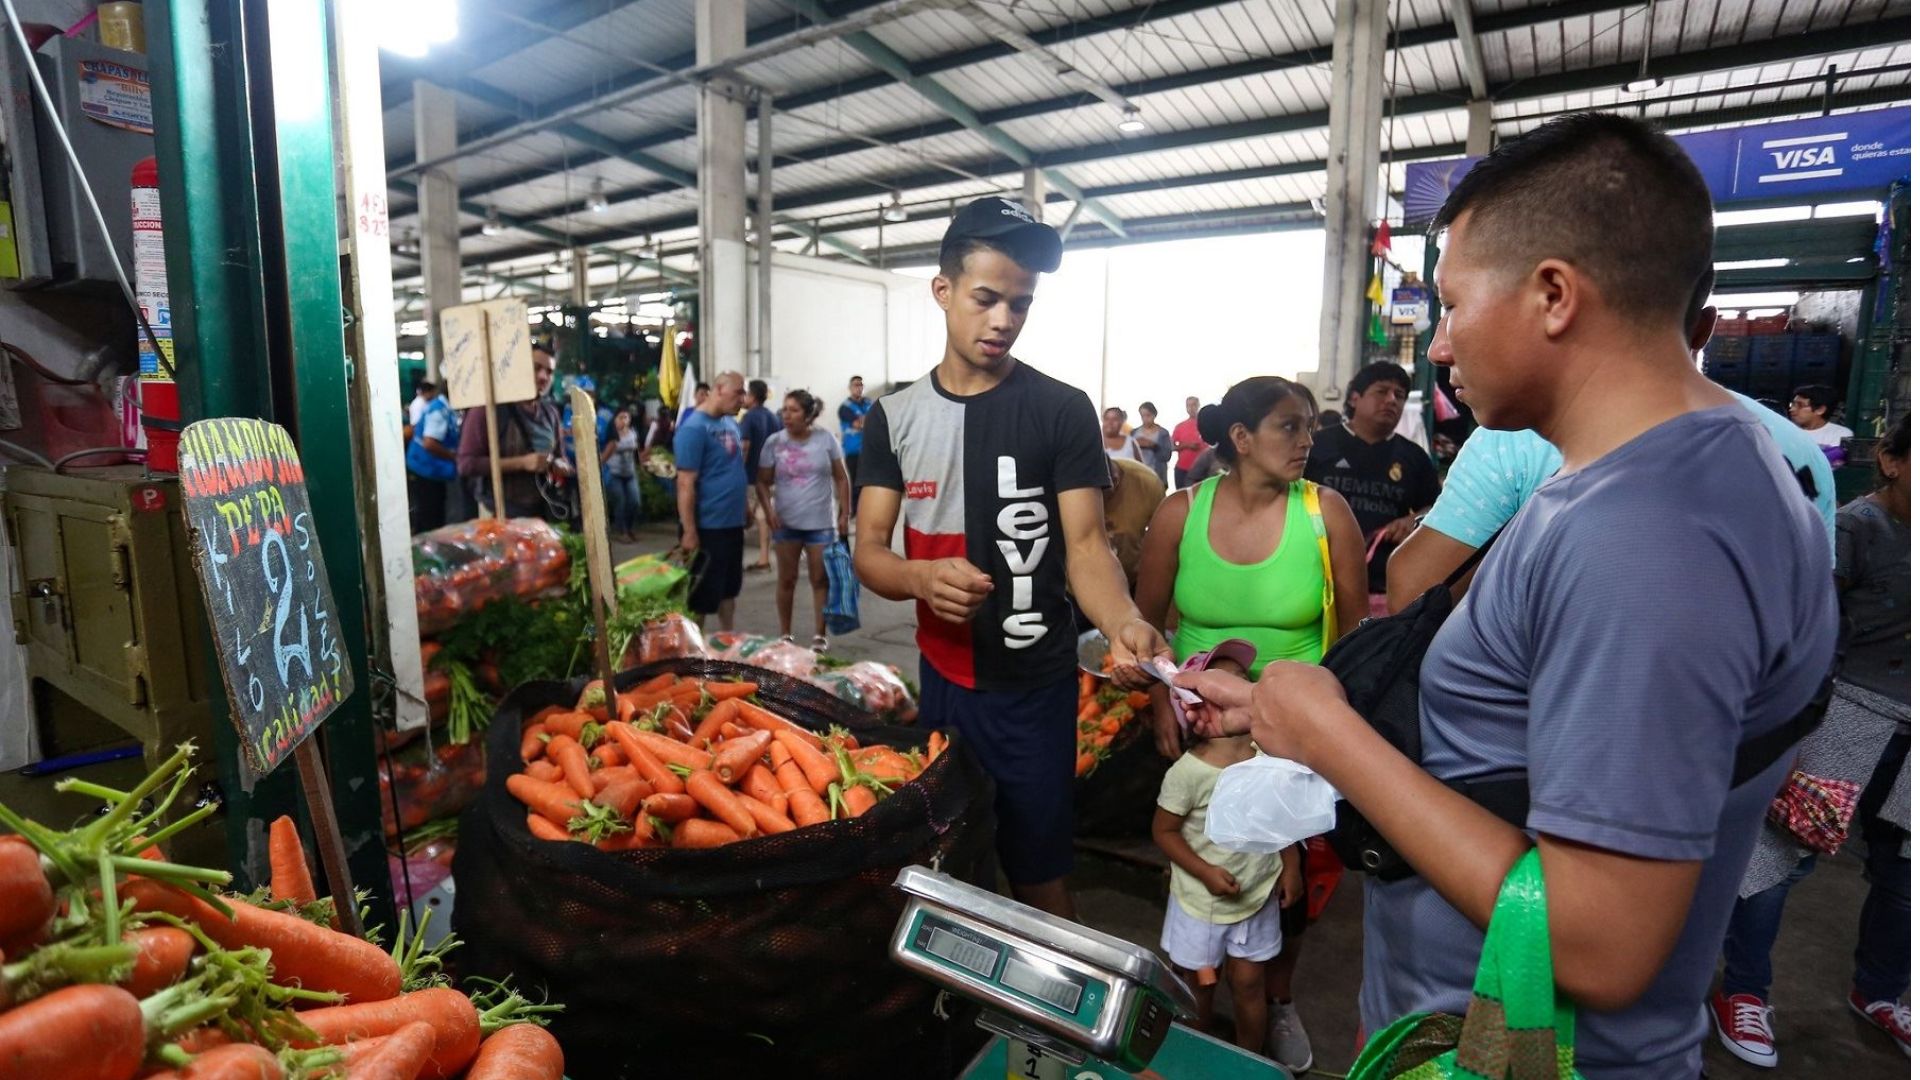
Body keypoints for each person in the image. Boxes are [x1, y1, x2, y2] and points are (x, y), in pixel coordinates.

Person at [1176, 113, 1837, 1080]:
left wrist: (1334, 740)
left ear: (1554, 295)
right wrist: (1302, 708)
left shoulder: (1647, 537)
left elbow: (1597, 943)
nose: (1438, 346)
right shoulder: (1666, 477)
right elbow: (1526, 739)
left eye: (1450, 304)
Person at [852, 196, 1170, 920]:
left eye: (1019, 305)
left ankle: (1049, 1025)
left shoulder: (1061, 410)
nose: (1003, 320)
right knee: (954, 862)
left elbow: (1086, 546)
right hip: (944, 683)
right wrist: (917, 577)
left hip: (1036, 689)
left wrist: (1122, 620)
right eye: (986, 298)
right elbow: (870, 551)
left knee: (1039, 871)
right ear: (944, 291)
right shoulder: (893, 418)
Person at [1132, 375, 1369, 1073]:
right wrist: (1156, 702)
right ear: (1240, 439)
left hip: (1296, 741)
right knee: (1210, 862)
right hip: (1205, 733)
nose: (1306, 443)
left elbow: (1356, 638)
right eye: (1288, 428)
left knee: (1290, 884)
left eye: (1310, 429)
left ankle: (1280, 995)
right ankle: (1203, 996)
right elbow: (1145, 626)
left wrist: (1336, 737)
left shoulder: (1326, 513)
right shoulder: (1180, 513)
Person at [1384, 298, 1839, 612]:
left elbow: (1414, 593)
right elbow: (1807, 623)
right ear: (1703, 327)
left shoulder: (1517, 435)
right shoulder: (1801, 458)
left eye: (1454, 307)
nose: (1440, 349)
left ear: (1560, 310)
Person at [1709, 413, 1909, 1067]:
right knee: (1778, 861)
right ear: (1890, 459)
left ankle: (1881, 990)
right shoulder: (1856, 527)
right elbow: (1809, 628)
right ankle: (1743, 992)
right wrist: (1791, 729)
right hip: (1848, 715)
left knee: (1903, 869)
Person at [1152, 639, 1306, 1057]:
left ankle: (1248, 1060)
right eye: (1218, 682)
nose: (1237, 686)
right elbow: (1164, 832)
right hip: (1200, 907)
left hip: (1256, 895)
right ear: (1193, 705)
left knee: (1249, 984)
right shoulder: (1188, 775)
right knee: (1198, 986)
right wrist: (1204, 870)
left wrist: (1290, 865)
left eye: (1240, 680)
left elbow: (1280, 816)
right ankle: (1197, 1058)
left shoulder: (1266, 758)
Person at [1303, 361, 1440, 606]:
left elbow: (1437, 507)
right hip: (1313, 577)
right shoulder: (1316, 446)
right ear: (1355, 398)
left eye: (1399, 395)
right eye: (1382, 391)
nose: (1391, 400)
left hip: (1380, 587)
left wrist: (1414, 519)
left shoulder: (1414, 457)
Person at [757, 389, 852, 650]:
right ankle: (785, 635)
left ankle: (819, 636)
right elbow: (762, 482)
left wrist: (845, 513)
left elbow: (841, 478)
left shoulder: (826, 440)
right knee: (786, 579)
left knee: (820, 579)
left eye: (794, 410)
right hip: (785, 522)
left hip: (821, 522)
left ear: (808, 414)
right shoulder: (774, 443)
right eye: (784, 410)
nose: (787, 415)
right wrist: (769, 510)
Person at [457, 344, 573, 521]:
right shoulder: (487, 411)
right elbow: (466, 464)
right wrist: (522, 463)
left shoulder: (551, 413)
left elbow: (561, 456)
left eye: (549, 372)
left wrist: (559, 465)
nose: (543, 377)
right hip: (499, 516)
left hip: (542, 513)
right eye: (536, 368)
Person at [674, 372, 748, 631]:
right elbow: (685, 483)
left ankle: (727, 644)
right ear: (718, 389)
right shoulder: (693, 428)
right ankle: (695, 656)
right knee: (701, 597)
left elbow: (734, 468)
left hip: (731, 524)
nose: (743, 398)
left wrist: (745, 507)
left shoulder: (730, 424)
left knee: (729, 590)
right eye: (738, 392)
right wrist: (690, 531)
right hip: (707, 527)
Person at [1103, 455, 1165, 591]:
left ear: (1115, 479)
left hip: (1132, 581)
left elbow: (1163, 540)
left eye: (1104, 495)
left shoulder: (1147, 483)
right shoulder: (1060, 488)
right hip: (1074, 588)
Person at [404, 380, 458, 534]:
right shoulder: (439, 411)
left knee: (428, 511)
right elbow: (429, 443)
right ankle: (429, 550)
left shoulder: (441, 407)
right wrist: (454, 456)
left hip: (427, 466)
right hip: (427, 468)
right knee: (432, 514)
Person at [740, 379, 781, 573]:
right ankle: (765, 557)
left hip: (751, 475)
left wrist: (737, 469)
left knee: (752, 516)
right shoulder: (774, 417)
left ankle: (759, 559)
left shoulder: (748, 417)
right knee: (764, 515)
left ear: (753, 396)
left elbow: (745, 446)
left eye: (746, 394)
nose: (744, 398)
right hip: (771, 475)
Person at [600, 407, 643, 543]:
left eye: (626, 417)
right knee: (621, 502)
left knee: (635, 502)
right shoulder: (611, 436)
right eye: (621, 417)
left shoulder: (633, 433)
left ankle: (629, 529)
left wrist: (642, 463)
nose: (624, 420)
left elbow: (637, 452)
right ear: (615, 420)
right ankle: (622, 531)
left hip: (630, 473)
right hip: (614, 473)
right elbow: (605, 455)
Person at [839, 375, 871, 517]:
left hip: (869, 450)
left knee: (868, 483)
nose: (858, 387)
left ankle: (865, 511)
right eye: (855, 385)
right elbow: (859, 424)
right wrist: (866, 422)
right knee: (855, 482)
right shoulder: (845, 408)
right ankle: (852, 512)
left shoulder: (870, 403)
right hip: (852, 451)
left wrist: (866, 422)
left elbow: (875, 422)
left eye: (860, 385)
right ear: (850, 388)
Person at [1788, 384, 1854, 449]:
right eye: (1792, 404)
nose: (1792, 409)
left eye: (1800, 405)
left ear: (1820, 410)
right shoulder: (1786, 431)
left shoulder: (1840, 434)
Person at [1134, 402, 1174, 483]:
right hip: (1138, 473)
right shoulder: (1134, 433)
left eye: (1148, 415)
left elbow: (1167, 456)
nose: (1145, 419)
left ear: (1154, 415)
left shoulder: (1163, 433)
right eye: (1142, 416)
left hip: (1156, 474)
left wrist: (1154, 446)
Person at [1172, 396, 1205, 488]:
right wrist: (1187, 445)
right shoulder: (1180, 426)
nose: (1191, 408)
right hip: (1183, 470)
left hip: (1202, 470)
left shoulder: (1205, 423)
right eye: (1188, 405)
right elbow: (1171, 446)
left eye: (1194, 405)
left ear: (1198, 406)